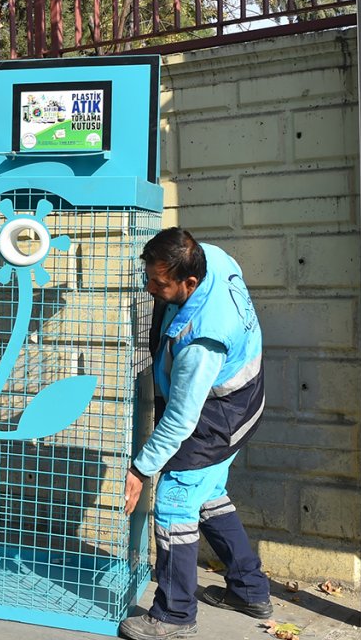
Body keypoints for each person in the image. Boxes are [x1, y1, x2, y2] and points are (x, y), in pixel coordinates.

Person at [119, 228, 271, 640]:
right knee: (205, 491)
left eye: (159, 283)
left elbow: (182, 420)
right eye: (148, 276)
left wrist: (140, 469)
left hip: (219, 412)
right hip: (240, 396)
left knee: (174, 499)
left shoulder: (202, 341)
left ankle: (174, 615)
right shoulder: (211, 257)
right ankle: (249, 589)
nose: (150, 288)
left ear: (190, 281)